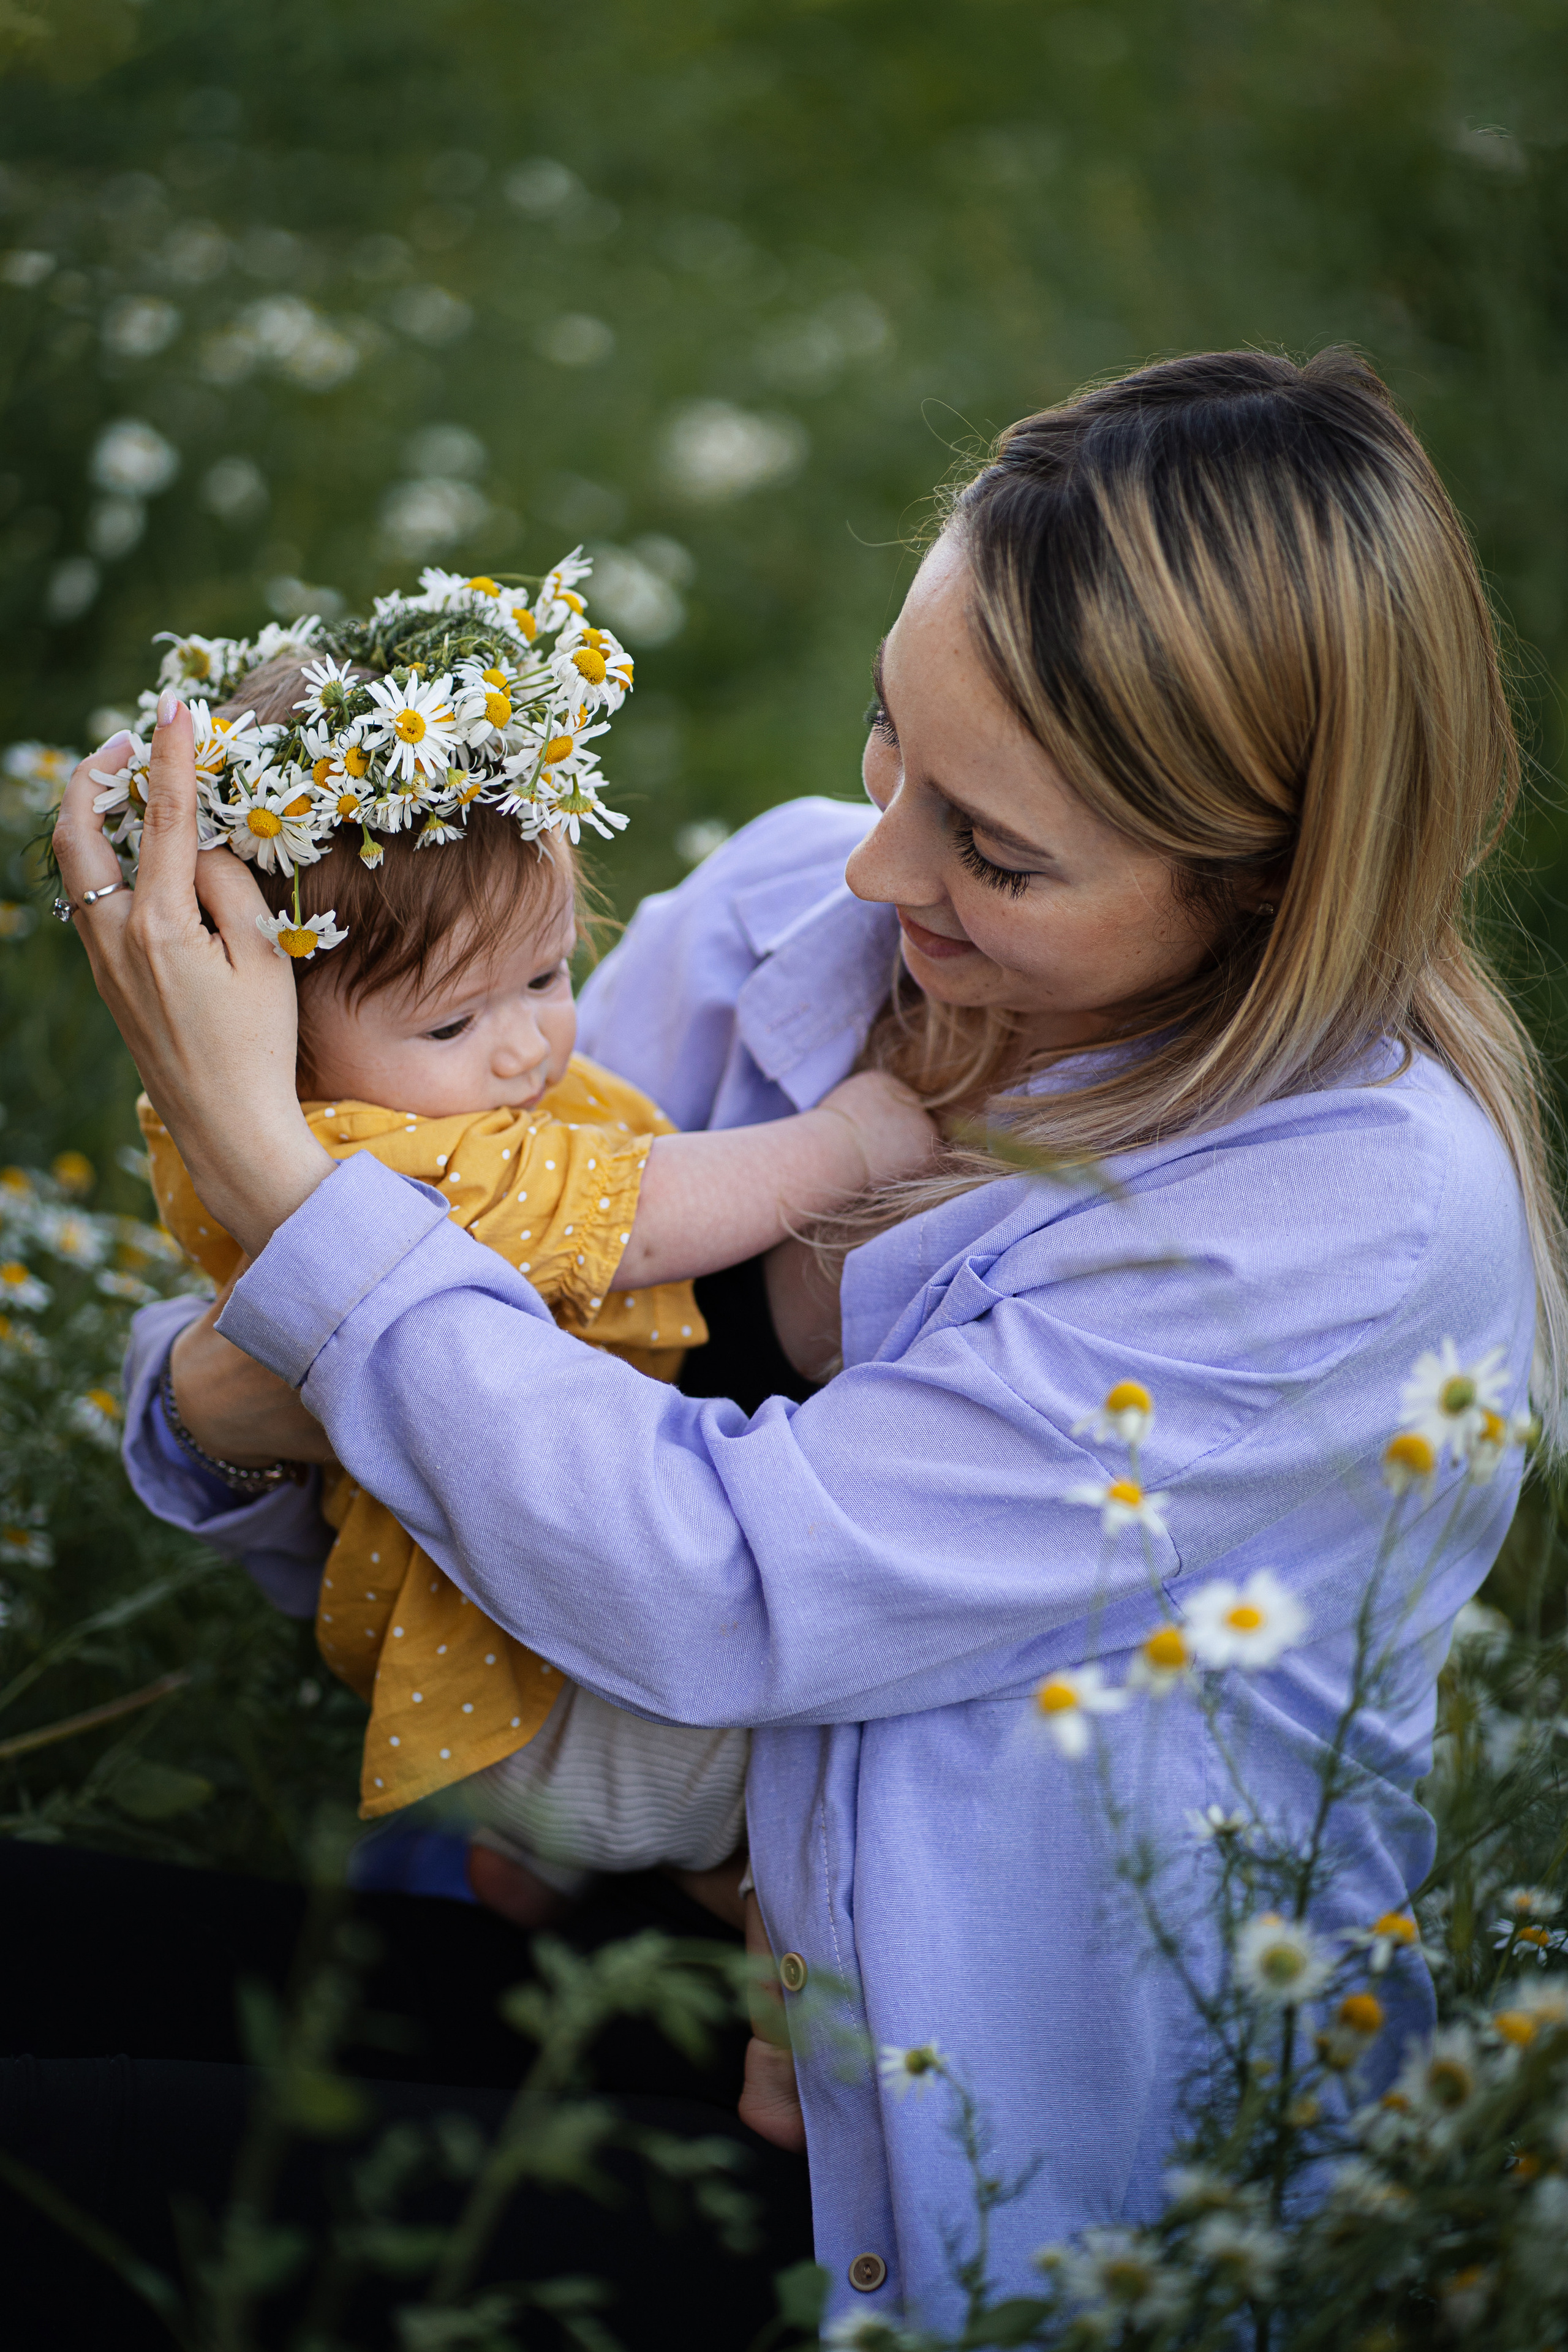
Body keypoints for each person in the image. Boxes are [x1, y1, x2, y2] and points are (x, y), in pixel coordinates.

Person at [25, 347, 1562, 2339]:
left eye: (995, 851)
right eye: (886, 746)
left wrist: (266, 1169)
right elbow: (427, 1409)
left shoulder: (1341, 1219)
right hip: (599, 1925)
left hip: (929, 2174)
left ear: (1270, 885)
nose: (874, 867)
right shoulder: (792, 924)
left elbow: (686, 1572)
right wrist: (235, 1390)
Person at [133, 652, 935, 1911]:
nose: (525, 1045)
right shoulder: (363, 1148)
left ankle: (530, 1865)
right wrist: (847, 1145)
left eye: (547, 976)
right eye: (451, 1024)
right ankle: (748, 1914)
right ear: (270, 1030)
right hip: (541, 1684)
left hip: (515, 1658)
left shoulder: (409, 1089)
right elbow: (640, 1219)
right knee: (829, 1762)